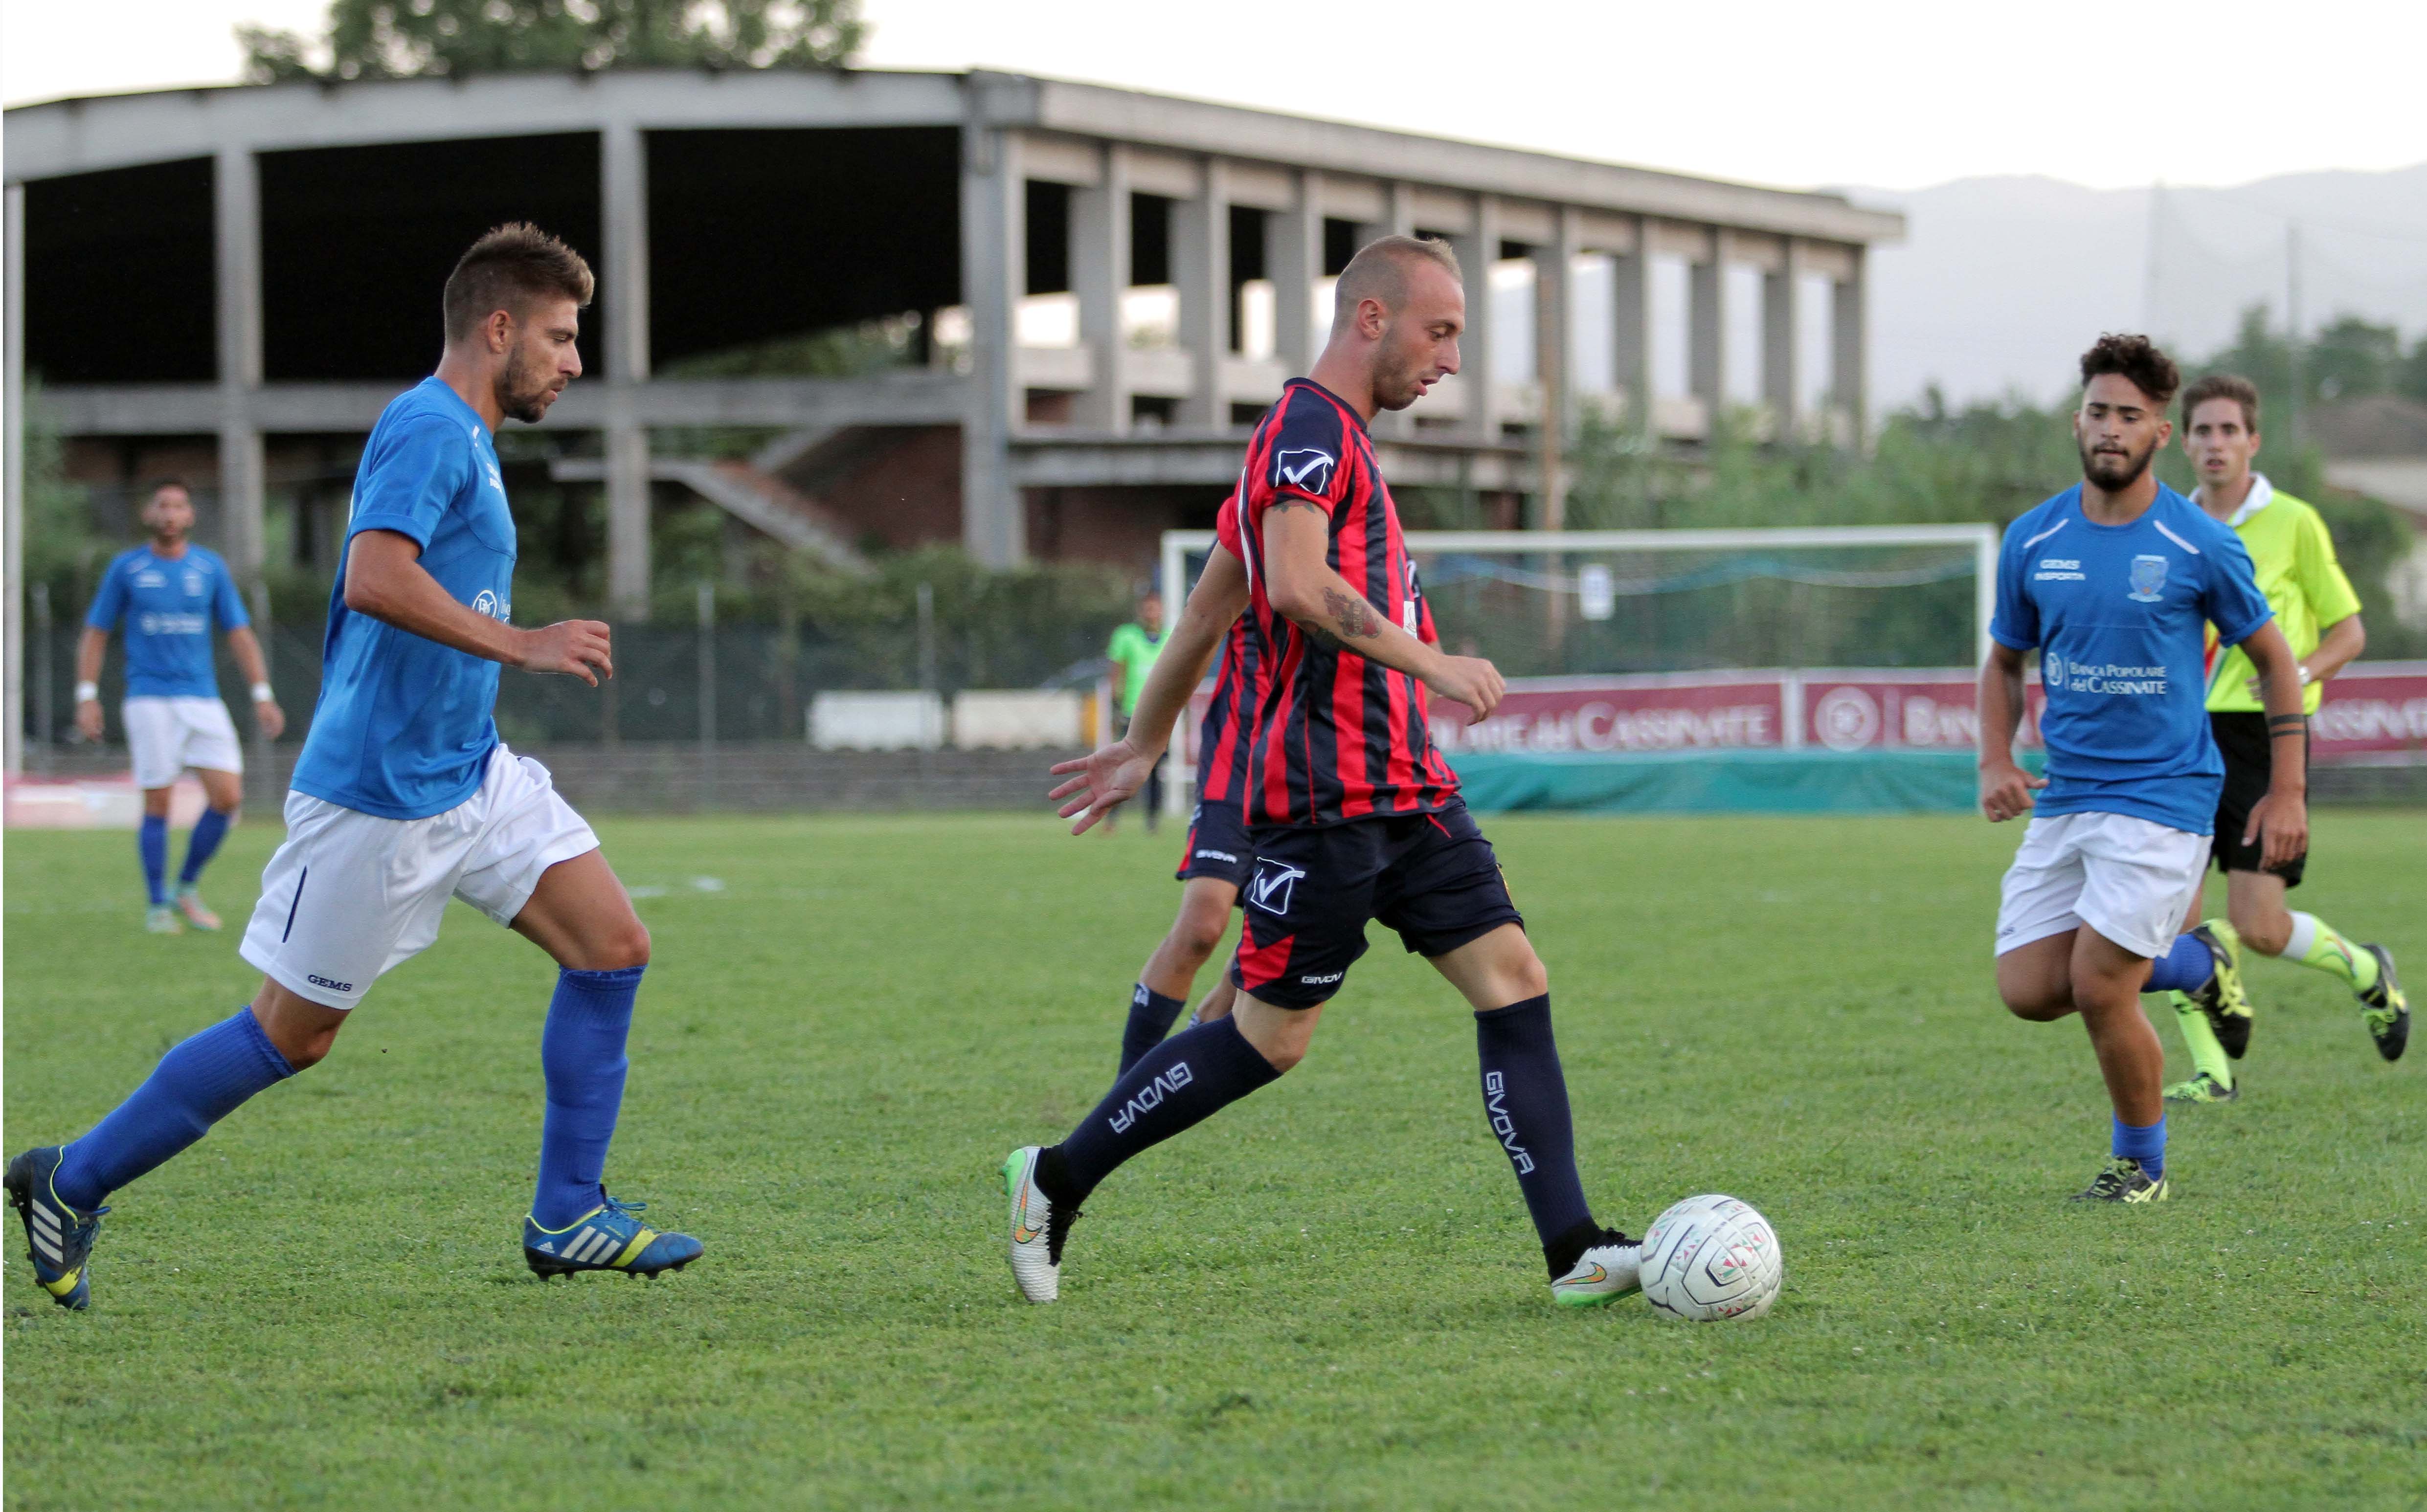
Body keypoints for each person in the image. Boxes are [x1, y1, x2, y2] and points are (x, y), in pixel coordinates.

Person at [7, 223, 701, 1311]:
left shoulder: (469, 438)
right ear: (500, 326)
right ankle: (69, 1178)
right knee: (292, 1037)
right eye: (563, 338)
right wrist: (525, 643)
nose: (574, 361)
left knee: (613, 947)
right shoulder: (428, 426)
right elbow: (378, 576)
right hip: (380, 796)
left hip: (471, 773)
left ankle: (568, 1216)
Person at [1008, 234, 1644, 1307]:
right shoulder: (1305, 429)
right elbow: (1295, 588)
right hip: (1323, 799)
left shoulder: (1335, 443)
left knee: (1516, 983)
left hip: (1411, 791)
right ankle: (1055, 1177)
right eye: (1439, 332)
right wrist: (1432, 659)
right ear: (1370, 319)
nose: (1448, 360)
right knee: (1269, 1040)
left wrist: (1146, 739)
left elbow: (1212, 606)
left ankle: (1573, 1247)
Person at [1978, 334, 2309, 1204]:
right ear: (2075, 420)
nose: (2110, 429)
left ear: (2160, 431)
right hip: (2069, 796)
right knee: (2025, 989)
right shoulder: (2033, 536)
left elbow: (2276, 663)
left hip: (2166, 798)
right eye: (2098, 412)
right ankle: (2195, 965)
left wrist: (2286, 791)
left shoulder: (2198, 543)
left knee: (2095, 985)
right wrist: (1992, 758)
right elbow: (2003, 661)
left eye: (2130, 415)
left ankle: (2140, 1165)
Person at [1113, 499, 1450, 1075]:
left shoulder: (1372, 556)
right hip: (1239, 753)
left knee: (1256, 958)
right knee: (1202, 926)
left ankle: (1166, 1085)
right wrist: (1143, 741)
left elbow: (1422, 653)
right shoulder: (1262, 524)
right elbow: (1198, 627)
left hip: (1316, 772)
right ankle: (1128, 1088)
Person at [2159, 374, 2405, 1104]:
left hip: (2262, 738)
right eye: (2201, 430)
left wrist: (2294, 673)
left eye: (2228, 430)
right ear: (2183, 442)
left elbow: (2349, 629)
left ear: (2252, 441)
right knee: (2169, 919)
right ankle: (2212, 1071)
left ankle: (2366, 970)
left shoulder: (2293, 521)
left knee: (2258, 926)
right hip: (2176, 733)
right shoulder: (2167, 521)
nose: (2214, 444)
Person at [75, 480, 287, 934]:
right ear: (149, 515)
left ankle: (186, 887)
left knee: (228, 797)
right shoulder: (127, 568)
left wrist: (262, 694)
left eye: (178, 506)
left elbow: (240, 633)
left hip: (201, 698)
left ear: (190, 516)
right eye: (162, 506)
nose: (170, 514)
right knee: (160, 801)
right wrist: (87, 695)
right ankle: (157, 906)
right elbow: (96, 632)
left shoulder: (209, 569)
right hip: (149, 698)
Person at [1103, 590, 1171, 832]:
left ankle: (1152, 822)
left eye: (1156, 608)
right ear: (1141, 611)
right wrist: (1115, 706)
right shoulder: (1126, 636)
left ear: (1162, 611)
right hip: (1132, 713)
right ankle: (1112, 818)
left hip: (1162, 716)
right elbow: (1116, 673)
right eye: (1148, 608)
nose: (1151, 612)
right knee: (1122, 767)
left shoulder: (1172, 637)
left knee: (1155, 771)